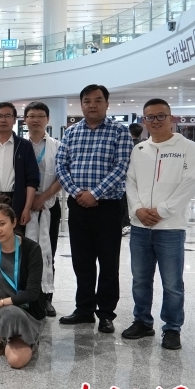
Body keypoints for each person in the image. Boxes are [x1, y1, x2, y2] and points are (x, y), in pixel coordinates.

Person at [122, 99, 195, 350]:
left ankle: (172, 328)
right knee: (140, 280)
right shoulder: (139, 149)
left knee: (172, 283)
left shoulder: (187, 148)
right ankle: (142, 321)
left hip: (171, 228)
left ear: (171, 118)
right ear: (144, 121)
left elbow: (190, 182)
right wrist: (137, 209)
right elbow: (130, 182)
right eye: (150, 117)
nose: (155, 121)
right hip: (140, 227)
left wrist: (163, 211)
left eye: (160, 116)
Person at [56, 84, 131, 334]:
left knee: (108, 263)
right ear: (81, 105)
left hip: (108, 207)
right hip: (78, 206)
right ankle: (84, 309)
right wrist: (78, 193)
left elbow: (122, 167)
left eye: (98, 100)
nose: (92, 105)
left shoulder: (120, 132)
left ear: (107, 104)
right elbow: (61, 165)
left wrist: (94, 194)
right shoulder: (71, 132)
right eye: (87, 101)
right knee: (82, 261)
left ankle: (106, 314)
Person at [0, 204, 46, 369]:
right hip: (1, 311)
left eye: (2, 224)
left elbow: (32, 293)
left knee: (17, 361)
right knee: (10, 313)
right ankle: (3, 332)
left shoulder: (32, 249)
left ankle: (13, 334)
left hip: (28, 311)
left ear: (14, 222)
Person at [23, 102, 61, 317]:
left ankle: (46, 298)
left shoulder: (57, 146)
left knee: (48, 252)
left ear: (47, 119)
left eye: (40, 116)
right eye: (31, 116)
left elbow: (62, 176)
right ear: (25, 120)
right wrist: (29, 202)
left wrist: (43, 198)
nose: (35, 120)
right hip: (24, 208)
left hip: (49, 206)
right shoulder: (19, 145)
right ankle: (27, 297)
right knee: (25, 253)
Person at [0, 102, 39, 235]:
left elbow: (32, 180)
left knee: (14, 239)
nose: (3, 120)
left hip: (15, 201)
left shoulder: (24, 146)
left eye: (7, 116)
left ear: (14, 119)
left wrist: (27, 208)